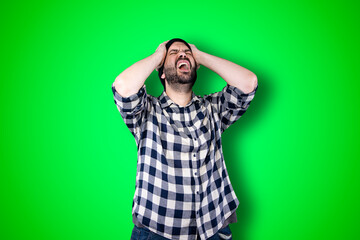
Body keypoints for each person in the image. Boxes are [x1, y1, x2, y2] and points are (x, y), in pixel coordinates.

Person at [112, 38, 258, 240]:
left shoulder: (213, 107)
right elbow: (123, 87)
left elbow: (248, 82)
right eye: (174, 53)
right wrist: (157, 56)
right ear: (162, 72)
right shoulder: (146, 111)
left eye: (186, 52)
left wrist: (200, 56)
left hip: (212, 228)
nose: (182, 54)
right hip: (156, 231)